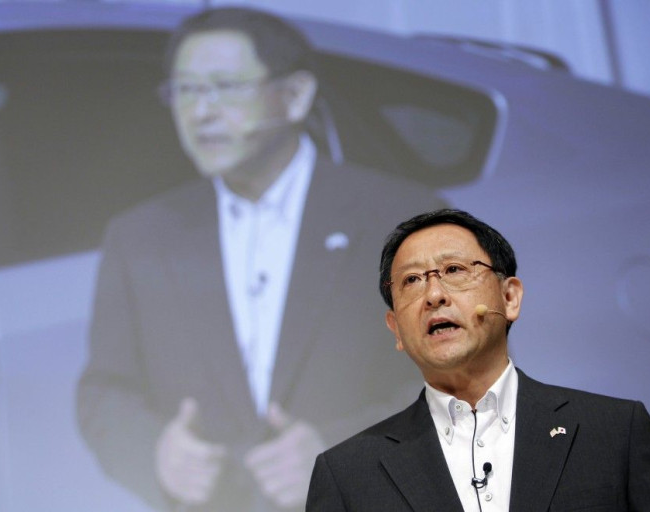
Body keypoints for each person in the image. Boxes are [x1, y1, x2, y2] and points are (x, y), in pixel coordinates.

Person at [76, 7, 444, 512]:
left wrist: (348, 455)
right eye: (184, 90)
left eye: (224, 87)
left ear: (295, 96)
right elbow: (104, 393)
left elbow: (468, 386)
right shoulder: (141, 236)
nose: (200, 112)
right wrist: (155, 454)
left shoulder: (407, 221)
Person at [306, 208, 650, 511]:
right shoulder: (348, 473)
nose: (433, 295)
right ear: (396, 330)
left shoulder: (613, 432)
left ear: (510, 298)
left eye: (454, 270)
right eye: (411, 281)